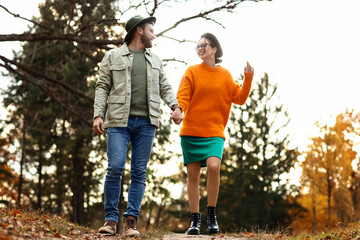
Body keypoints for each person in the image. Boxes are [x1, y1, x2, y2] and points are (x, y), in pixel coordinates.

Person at [93, 15, 182, 237]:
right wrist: (98, 115)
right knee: (114, 168)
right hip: (117, 121)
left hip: (146, 123)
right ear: (139, 31)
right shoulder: (112, 56)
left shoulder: (156, 60)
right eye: (151, 30)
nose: (154, 35)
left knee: (139, 172)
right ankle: (111, 221)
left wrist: (175, 106)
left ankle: (131, 222)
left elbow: (165, 86)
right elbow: (102, 86)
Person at [172, 33, 254, 235]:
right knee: (192, 176)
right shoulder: (191, 71)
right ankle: (194, 220)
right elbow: (183, 95)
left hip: (214, 132)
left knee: (213, 166)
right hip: (191, 131)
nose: (200, 48)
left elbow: (240, 98)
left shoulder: (225, 75)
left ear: (214, 49)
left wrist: (248, 77)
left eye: (204, 45)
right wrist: (178, 110)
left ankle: (211, 215)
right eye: (197, 46)